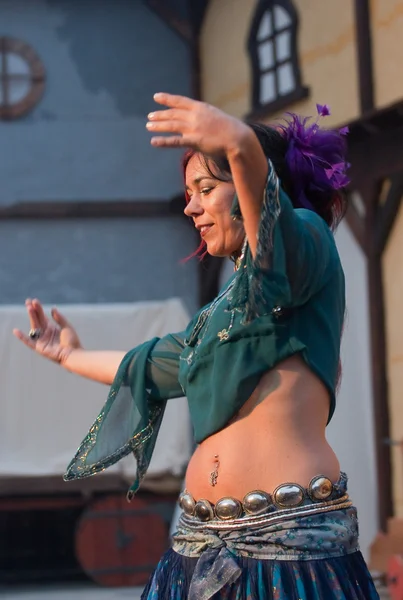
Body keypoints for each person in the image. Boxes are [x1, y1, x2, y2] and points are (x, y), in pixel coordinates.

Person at [13, 93, 379, 599]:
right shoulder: (220, 314)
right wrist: (67, 355)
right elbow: (154, 363)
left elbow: (272, 231)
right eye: (190, 192)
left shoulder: (304, 246)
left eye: (205, 188)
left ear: (251, 186)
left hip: (289, 547)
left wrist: (237, 141)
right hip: (195, 544)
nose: (190, 207)